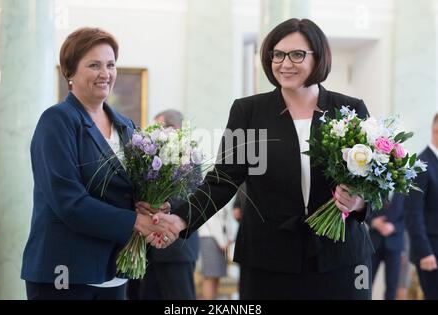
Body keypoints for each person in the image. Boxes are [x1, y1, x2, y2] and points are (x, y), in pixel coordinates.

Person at [153, 18, 374, 299]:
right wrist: (181, 218)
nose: (285, 63)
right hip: (269, 258)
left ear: (318, 57)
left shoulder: (349, 109)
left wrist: (359, 201)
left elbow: (374, 180)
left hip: (339, 258)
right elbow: (224, 178)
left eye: (297, 54)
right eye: (277, 54)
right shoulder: (249, 111)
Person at [20, 27, 181, 300]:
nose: (105, 74)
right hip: (65, 272)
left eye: (110, 64)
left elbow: (125, 191)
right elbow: (68, 201)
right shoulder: (57, 121)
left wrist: (149, 207)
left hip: (113, 271)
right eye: (94, 65)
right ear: (70, 72)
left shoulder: (126, 126)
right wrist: (135, 221)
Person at [128, 109, 200, 300]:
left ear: (174, 129)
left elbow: (190, 198)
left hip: (177, 249)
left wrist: (162, 205)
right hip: (150, 249)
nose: (156, 135)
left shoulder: (190, 157)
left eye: (160, 128)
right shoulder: (155, 157)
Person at [405, 113, 438, 300]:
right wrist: (424, 252)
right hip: (431, 253)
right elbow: (413, 214)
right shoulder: (421, 164)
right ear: (436, 130)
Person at [368, 193, 405, 300]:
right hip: (373, 243)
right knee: (365, 283)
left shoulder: (407, 187)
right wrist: (373, 222)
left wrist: (394, 227)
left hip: (395, 244)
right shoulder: (373, 183)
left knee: (392, 286)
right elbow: (362, 207)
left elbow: (411, 215)